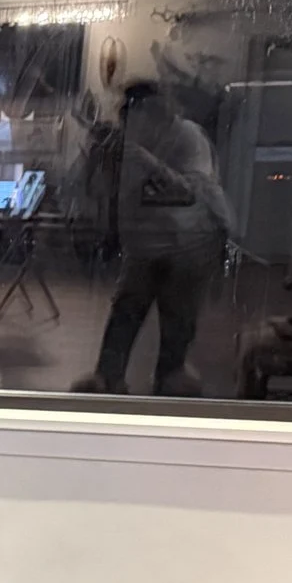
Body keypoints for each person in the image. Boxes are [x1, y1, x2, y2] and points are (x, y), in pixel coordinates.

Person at [77, 81, 233, 396]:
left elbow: (190, 191)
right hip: (147, 241)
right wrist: (98, 160)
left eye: (135, 114)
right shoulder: (131, 138)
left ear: (154, 113)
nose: (129, 121)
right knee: (125, 310)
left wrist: (145, 160)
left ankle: (170, 379)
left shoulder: (187, 136)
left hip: (192, 242)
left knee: (178, 315)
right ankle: (108, 378)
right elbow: (101, 192)